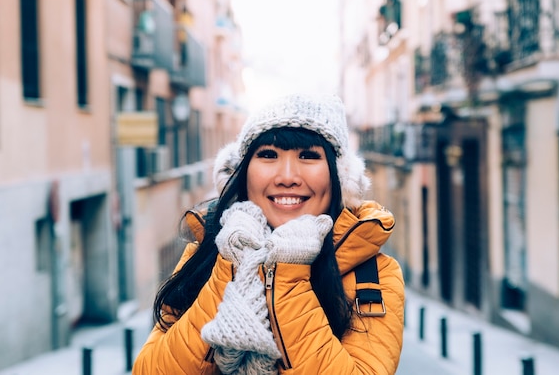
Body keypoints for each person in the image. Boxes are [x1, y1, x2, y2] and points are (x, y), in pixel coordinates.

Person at [133, 94, 405, 374]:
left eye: (308, 156)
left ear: (340, 178)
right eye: (268, 155)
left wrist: (288, 269)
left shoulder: (374, 275)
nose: (287, 176)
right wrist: (232, 263)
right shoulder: (204, 253)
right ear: (242, 174)